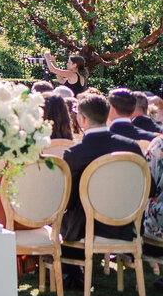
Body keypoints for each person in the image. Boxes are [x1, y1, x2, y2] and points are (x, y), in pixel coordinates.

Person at [59, 94, 145, 279]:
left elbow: (68, 199)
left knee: (65, 213)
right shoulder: (132, 148)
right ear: (107, 116)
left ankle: (70, 271)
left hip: (86, 227)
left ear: (82, 119)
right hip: (126, 225)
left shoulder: (75, 154)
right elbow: (149, 189)